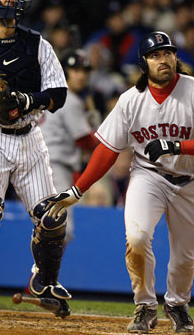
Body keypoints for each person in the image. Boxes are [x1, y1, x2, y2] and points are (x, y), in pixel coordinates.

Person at [47, 31, 194, 333]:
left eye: (168, 53)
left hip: (192, 181)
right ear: (144, 62)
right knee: (136, 238)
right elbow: (107, 150)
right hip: (149, 175)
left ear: (176, 58)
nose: (164, 59)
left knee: (185, 257)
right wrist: (77, 189)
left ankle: (176, 304)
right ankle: (145, 305)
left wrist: (177, 146)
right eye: (156, 55)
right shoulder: (131, 101)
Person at [0, 0, 71, 317]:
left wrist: (28, 99)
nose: (10, 4)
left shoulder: (35, 43)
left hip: (29, 137)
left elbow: (59, 93)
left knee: (52, 217)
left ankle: (45, 281)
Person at [40, 49, 100, 240]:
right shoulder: (70, 100)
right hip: (55, 167)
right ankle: (44, 271)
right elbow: (86, 142)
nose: (81, 75)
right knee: (60, 230)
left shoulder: (49, 93)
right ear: (64, 72)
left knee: (48, 227)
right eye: (75, 70)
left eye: (84, 71)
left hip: (41, 164)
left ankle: (43, 270)